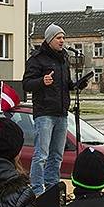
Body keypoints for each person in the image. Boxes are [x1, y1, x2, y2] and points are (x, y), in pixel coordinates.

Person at [23, 23, 76, 195]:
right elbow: (26, 84)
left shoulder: (64, 58)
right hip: (45, 113)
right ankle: (38, 189)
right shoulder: (37, 59)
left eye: (63, 38)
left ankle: (52, 188)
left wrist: (76, 85)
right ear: (50, 39)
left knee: (57, 155)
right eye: (59, 38)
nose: (62, 41)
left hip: (61, 113)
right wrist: (41, 81)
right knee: (41, 155)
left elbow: (66, 84)